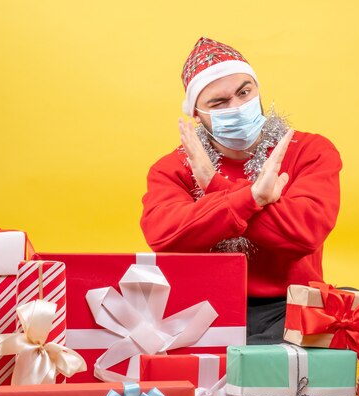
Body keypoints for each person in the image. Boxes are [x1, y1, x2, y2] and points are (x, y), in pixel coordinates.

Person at [140, 37, 342, 343]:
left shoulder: (310, 151)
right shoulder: (173, 169)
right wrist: (253, 198)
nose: (236, 107)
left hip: (289, 307)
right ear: (196, 113)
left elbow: (304, 235)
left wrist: (215, 186)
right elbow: (164, 238)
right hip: (202, 308)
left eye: (244, 92)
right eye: (219, 103)